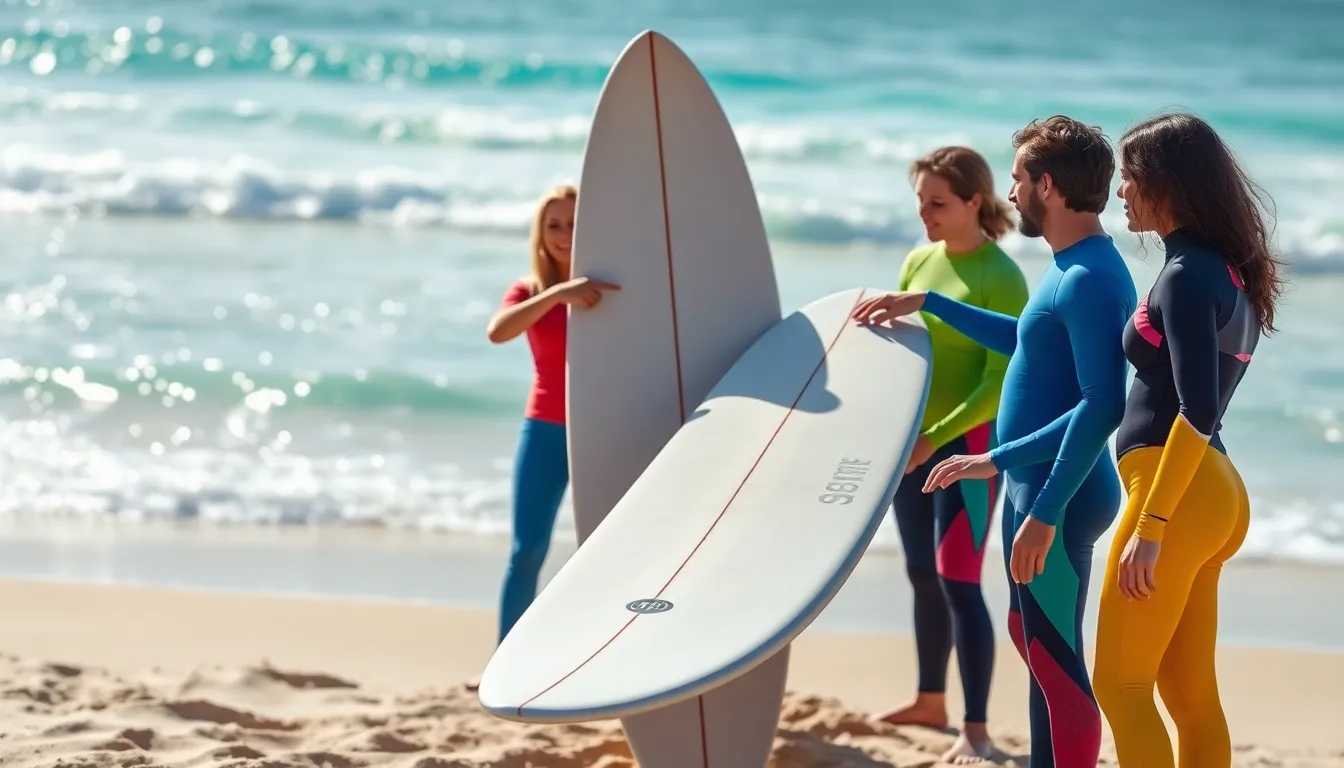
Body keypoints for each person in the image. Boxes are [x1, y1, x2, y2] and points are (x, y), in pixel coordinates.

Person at [853, 115, 1137, 768]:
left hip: (1058, 492)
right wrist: (931, 303)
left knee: (1058, 662)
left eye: (1017, 179)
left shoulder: (1090, 277)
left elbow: (1103, 405)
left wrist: (1008, 473)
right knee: (1033, 642)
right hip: (1038, 486)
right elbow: (1030, 345)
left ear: (1047, 186)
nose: (1010, 194)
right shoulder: (1069, 266)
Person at [1091, 112, 1286, 768]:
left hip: (1174, 495)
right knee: (1190, 696)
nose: (1120, 190)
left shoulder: (1183, 276)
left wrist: (1152, 525)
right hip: (1215, 493)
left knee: (1120, 687)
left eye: (1129, 177)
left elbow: (1197, 409)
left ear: (1165, 182)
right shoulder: (1226, 272)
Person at [871, 146, 1030, 765]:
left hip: (968, 449)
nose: (925, 214)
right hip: (912, 443)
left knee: (957, 578)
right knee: (920, 571)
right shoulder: (918, 261)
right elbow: (903, 355)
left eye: (937, 203)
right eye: (920, 202)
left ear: (973, 202)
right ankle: (929, 700)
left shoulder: (1000, 277)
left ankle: (977, 728)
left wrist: (934, 438)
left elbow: (999, 380)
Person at [481, 183, 619, 652]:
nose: (563, 234)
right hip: (545, 428)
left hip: (603, 431)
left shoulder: (613, 287)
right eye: (554, 225)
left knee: (605, 550)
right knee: (527, 550)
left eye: (574, 224)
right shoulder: (531, 291)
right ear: (540, 233)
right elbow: (497, 331)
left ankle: (601, 655)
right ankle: (506, 662)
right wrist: (560, 294)